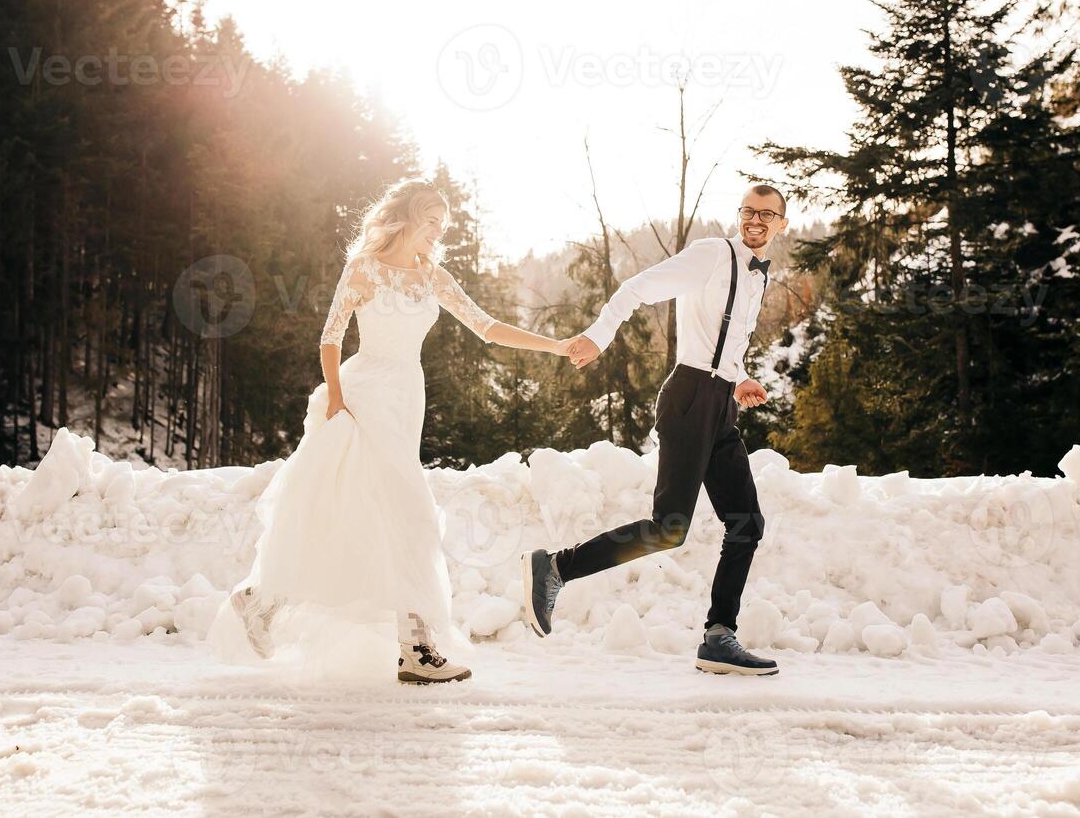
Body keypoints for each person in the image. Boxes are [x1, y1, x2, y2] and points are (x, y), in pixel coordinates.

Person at [209, 178, 570, 683]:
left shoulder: (432, 276)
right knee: (408, 515)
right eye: (431, 223)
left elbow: (485, 326)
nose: (437, 234)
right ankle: (415, 649)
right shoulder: (364, 269)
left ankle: (261, 603)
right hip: (363, 398)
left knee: (370, 519)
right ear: (406, 219)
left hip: (405, 397)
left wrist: (556, 347)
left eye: (443, 227)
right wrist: (335, 398)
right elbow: (330, 337)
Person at [521, 183, 788, 676]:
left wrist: (740, 374)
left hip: (721, 401)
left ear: (781, 224)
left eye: (767, 214)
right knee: (670, 528)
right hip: (688, 397)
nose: (756, 220)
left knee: (746, 523)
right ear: (739, 215)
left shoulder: (756, 278)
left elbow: (726, 339)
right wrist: (599, 337)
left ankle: (718, 636)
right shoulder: (711, 254)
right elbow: (637, 288)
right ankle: (556, 567)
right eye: (749, 211)